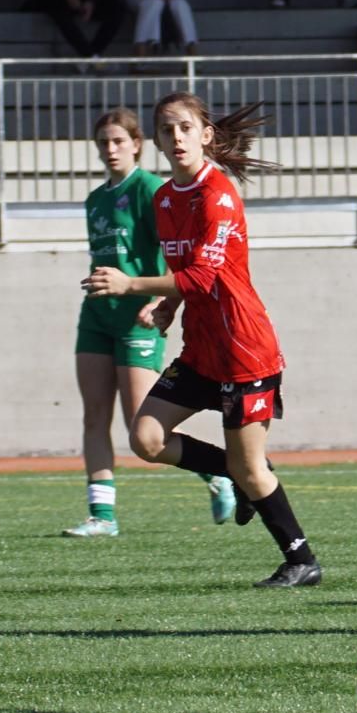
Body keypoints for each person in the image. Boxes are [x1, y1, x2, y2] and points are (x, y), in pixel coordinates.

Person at [83, 94, 319, 588]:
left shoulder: (219, 195)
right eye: (168, 131)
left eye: (186, 128)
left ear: (205, 135)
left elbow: (206, 275)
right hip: (201, 350)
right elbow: (185, 275)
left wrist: (132, 286)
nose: (177, 138)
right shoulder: (165, 198)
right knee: (146, 437)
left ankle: (301, 558)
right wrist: (169, 306)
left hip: (243, 350)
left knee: (252, 469)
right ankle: (235, 474)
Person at [67, 107, 236, 537]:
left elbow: (174, 252)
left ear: (138, 144)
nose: (110, 149)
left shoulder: (149, 190)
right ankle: (101, 516)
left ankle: (216, 474)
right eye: (103, 142)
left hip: (136, 314)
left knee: (140, 424)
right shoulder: (95, 199)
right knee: (93, 415)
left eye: (118, 141)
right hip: (97, 315)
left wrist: (162, 298)